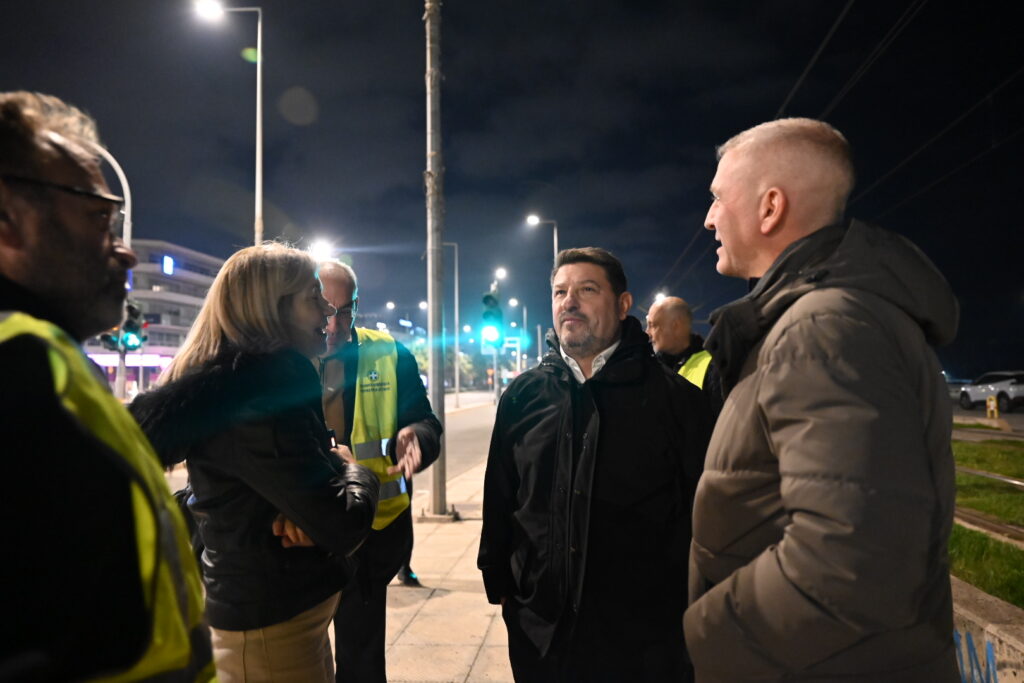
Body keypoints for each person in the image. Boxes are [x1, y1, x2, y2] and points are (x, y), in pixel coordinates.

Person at [686, 118, 960, 682]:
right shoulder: (824, 318)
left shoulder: (824, 327)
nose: (709, 218)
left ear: (770, 208)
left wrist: (708, 632)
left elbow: (853, 561)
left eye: (717, 198)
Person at [0, 91, 213, 680]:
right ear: (7, 221)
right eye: (99, 219)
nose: (124, 252)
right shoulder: (21, 370)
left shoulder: (51, 362)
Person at [130, 244, 380, 683]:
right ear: (273, 309)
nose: (327, 310)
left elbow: (229, 484)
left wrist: (284, 508)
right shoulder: (262, 396)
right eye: (313, 297)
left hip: (282, 621)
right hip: (269, 633)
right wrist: (355, 470)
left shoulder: (251, 388)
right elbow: (342, 523)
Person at [478, 247, 712, 682]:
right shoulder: (523, 397)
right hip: (540, 633)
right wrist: (504, 588)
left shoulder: (676, 401)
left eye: (587, 290)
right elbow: (500, 497)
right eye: (560, 292)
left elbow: (704, 515)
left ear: (623, 305)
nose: (569, 302)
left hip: (642, 641)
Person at [317, 260, 442, 683]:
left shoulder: (389, 354)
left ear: (357, 307)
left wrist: (417, 436)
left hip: (369, 534)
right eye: (324, 311)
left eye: (344, 312)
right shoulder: (282, 356)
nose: (333, 326)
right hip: (298, 536)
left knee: (361, 662)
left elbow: (426, 423)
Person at [646, 295, 723, 416]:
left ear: (675, 326)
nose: (648, 332)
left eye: (653, 325)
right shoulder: (651, 368)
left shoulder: (713, 367)